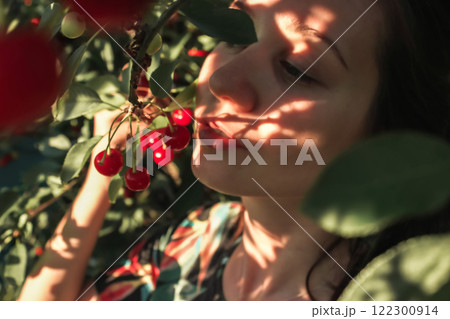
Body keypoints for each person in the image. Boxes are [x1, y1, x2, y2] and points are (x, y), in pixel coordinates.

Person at [18, 0, 450, 301]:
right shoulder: (204, 234)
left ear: (395, 138)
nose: (222, 82)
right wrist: (99, 183)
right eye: (237, 35)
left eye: (297, 70)